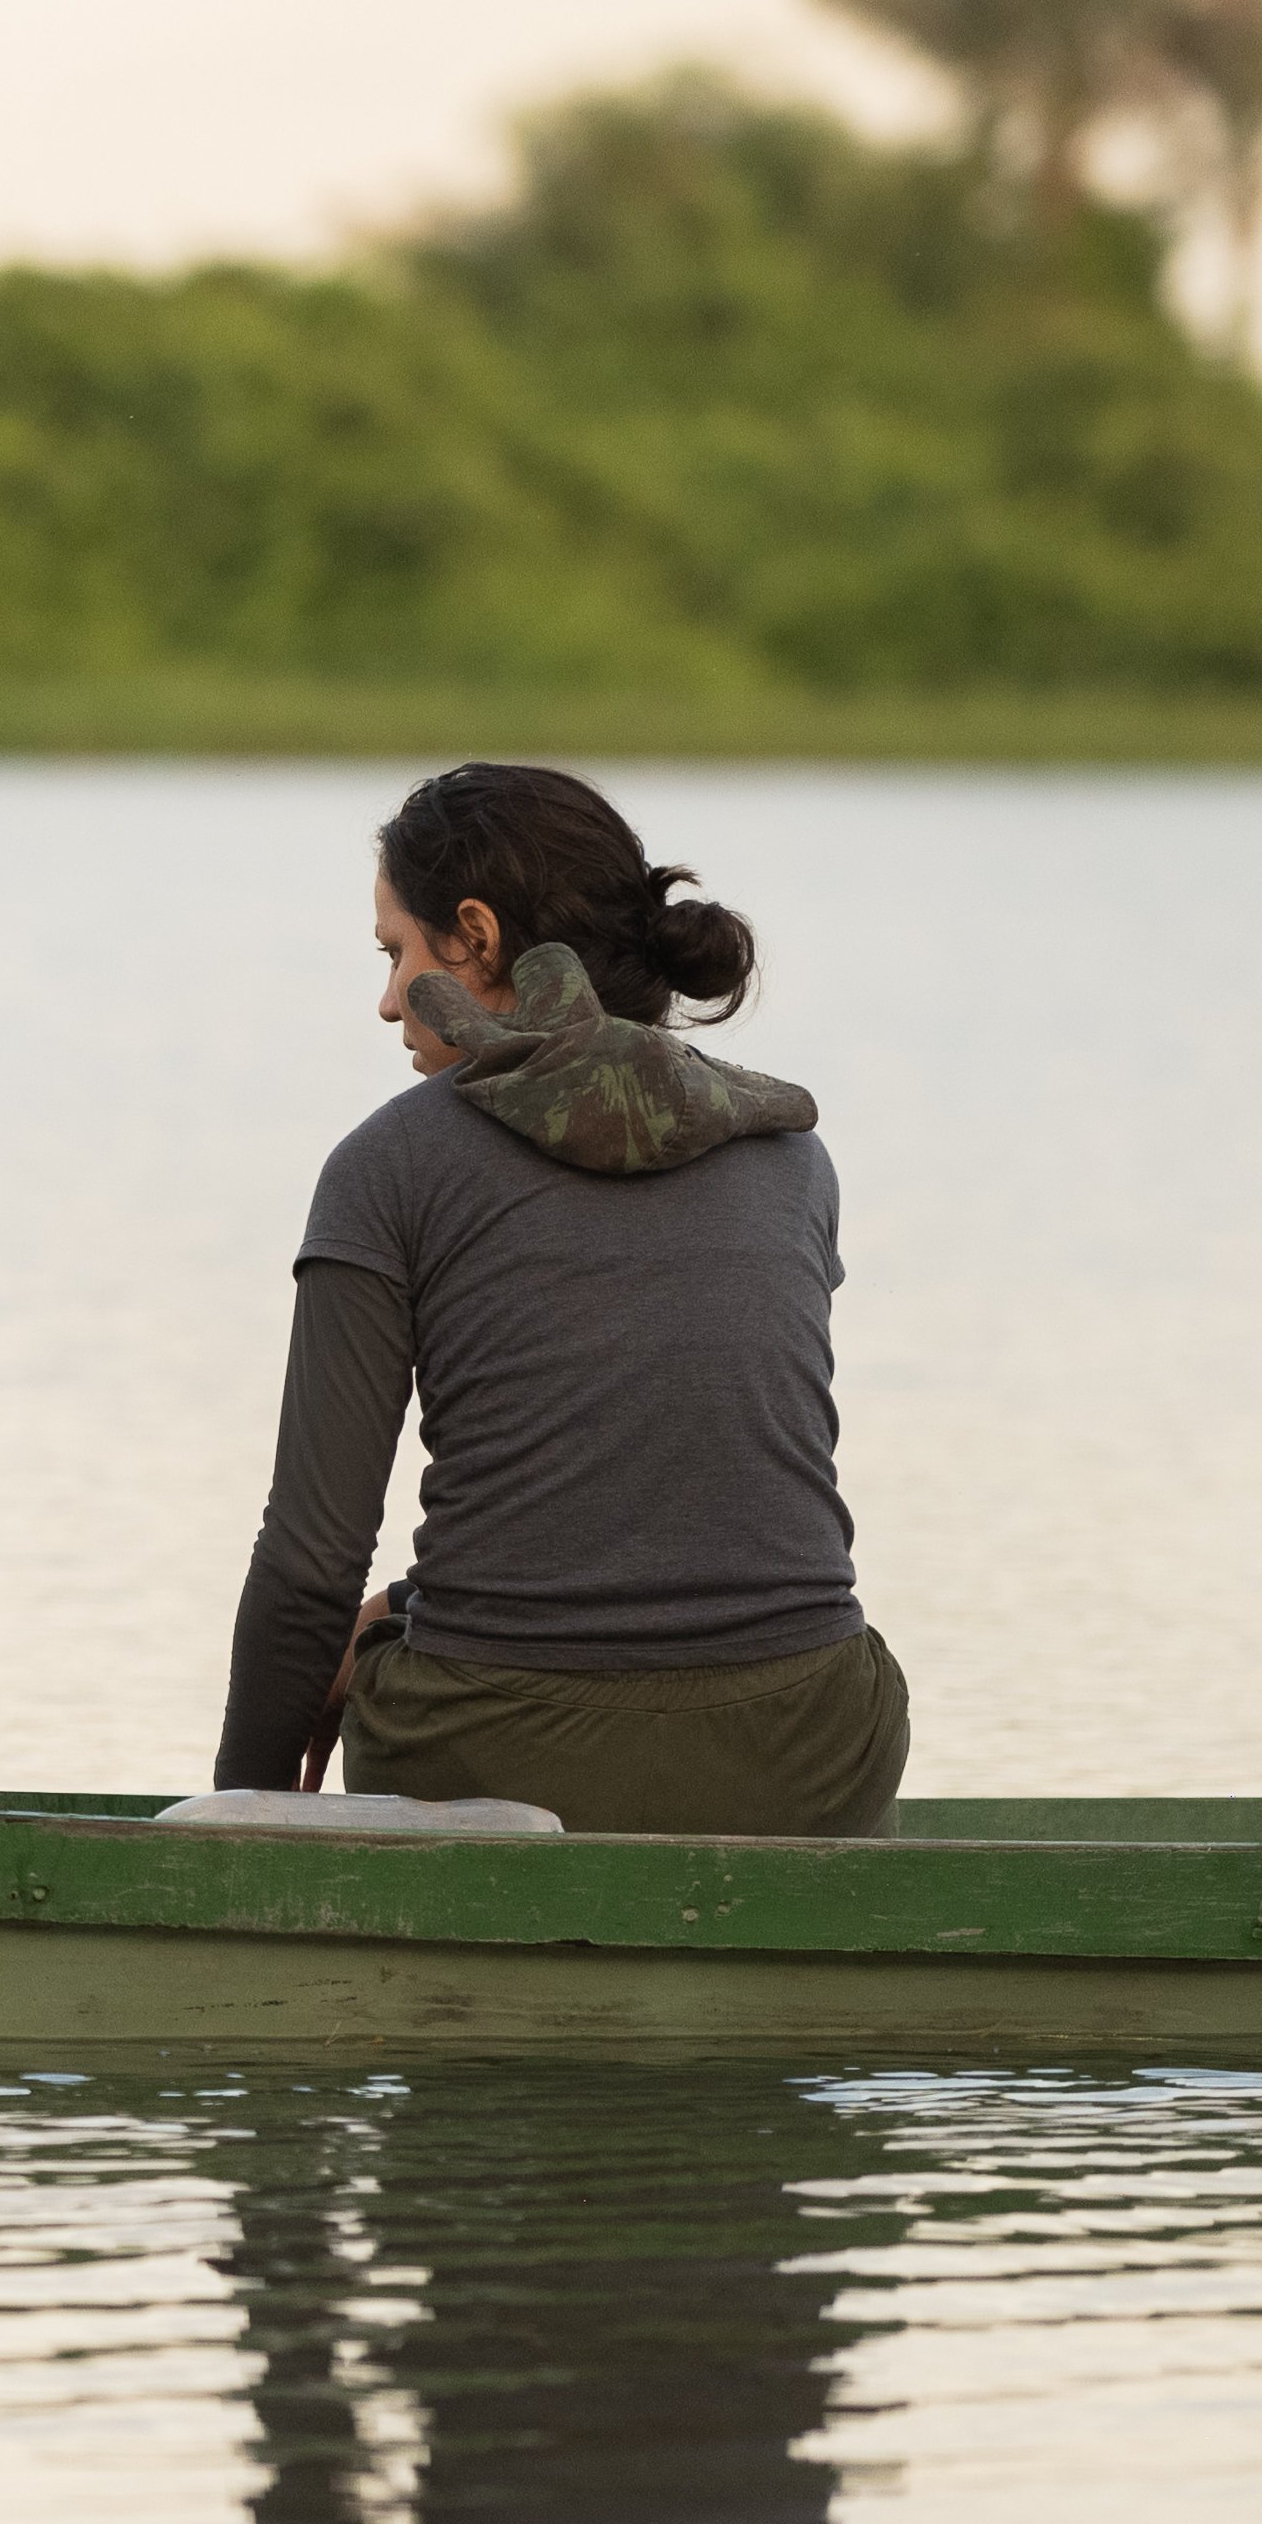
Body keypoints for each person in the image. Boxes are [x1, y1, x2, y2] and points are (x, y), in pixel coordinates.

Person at [211, 763, 909, 1833]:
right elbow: (675, 1486)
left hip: (499, 1759)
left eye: (398, 952)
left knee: (389, 1667)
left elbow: (310, 1568)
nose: (390, 1000)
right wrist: (403, 1607)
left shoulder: (390, 1165)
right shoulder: (787, 1153)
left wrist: (244, 1821)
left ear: (476, 938)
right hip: (809, 1749)